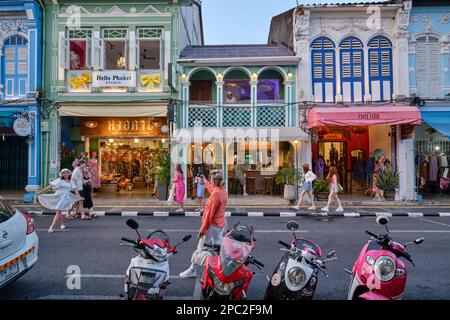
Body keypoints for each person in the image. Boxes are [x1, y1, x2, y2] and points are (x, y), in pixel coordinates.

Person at [179, 170, 228, 278]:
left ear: (214, 180)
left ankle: (192, 269)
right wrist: (205, 181)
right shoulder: (222, 191)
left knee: (200, 248)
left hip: (212, 226)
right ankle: (224, 269)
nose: (209, 181)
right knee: (218, 249)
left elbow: (209, 214)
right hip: (220, 225)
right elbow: (212, 189)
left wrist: (202, 229)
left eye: (210, 179)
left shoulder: (216, 195)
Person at [37, 169, 84, 233]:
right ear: (62, 174)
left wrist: (79, 197)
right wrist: (41, 191)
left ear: (69, 174)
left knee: (58, 211)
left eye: (67, 173)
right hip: (58, 196)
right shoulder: (59, 180)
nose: (65, 174)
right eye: (64, 173)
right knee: (59, 211)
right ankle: (61, 224)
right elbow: (50, 186)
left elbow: (75, 190)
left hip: (65, 198)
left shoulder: (71, 181)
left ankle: (51, 226)